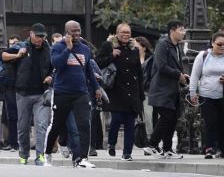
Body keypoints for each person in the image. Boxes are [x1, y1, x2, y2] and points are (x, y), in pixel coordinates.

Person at [43, 20, 101, 168]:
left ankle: (82, 158)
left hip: (81, 93)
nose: (76, 34)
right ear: (66, 32)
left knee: (84, 125)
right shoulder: (57, 47)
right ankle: (48, 154)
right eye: (73, 31)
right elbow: (56, 64)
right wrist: (68, 49)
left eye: (78, 30)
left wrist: (96, 88)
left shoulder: (85, 48)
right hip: (62, 92)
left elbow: (88, 70)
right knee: (56, 125)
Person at [95, 22, 143, 161]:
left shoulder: (134, 49)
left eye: (128, 32)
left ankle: (127, 152)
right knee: (116, 120)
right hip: (115, 90)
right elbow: (97, 63)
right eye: (123, 32)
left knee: (129, 123)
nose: (125, 35)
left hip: (132, 91)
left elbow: (138, 72)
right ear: (117, 33)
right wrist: (112, 55)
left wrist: (140, 94)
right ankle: (111, 143)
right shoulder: (108, 46)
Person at [8, 23, 53, 165]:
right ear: (31, 35)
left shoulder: (49, 50)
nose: (40, 39)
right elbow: (2, 55)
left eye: (43, 36)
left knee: (41, 125)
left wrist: (51, 76)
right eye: (38, 36)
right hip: (23, 93)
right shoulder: (21, 46)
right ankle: (23, 154)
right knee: (23, 127)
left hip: (42, 94)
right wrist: (17, 54)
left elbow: (56, 67)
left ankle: (40, 155)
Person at [148, 21, 188, 158]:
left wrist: (183, 76)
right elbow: (161, 66)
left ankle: (167, 149)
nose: (184, 32)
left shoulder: (177, 47)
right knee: (166, 117)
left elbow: (176, 67)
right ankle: (152, 144)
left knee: (172, 119)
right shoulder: (162, 44)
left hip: (173, 90)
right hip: (161, 89)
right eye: (181, 29)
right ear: (172, 30)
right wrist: (179, 75)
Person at [188, 30, 224, 159]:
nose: (222, 47)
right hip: (206, 95)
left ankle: (222, 148)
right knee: (210, 122)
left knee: (222, 122)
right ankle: (209, 148)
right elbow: (195, 75)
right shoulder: (203, 56)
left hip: (222, 95)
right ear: (212, 44)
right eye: (219, 44)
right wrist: (192, 92)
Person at [0, 35, 20, 150]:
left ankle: (19, 143)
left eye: (16, 43)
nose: (14, 45)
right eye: (12, 44)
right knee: (11, 117)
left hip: (21, 88)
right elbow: (2, 56)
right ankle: (13, 143)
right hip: (9, 88)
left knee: (23, 117)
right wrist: (17, 55)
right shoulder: (6, 55)